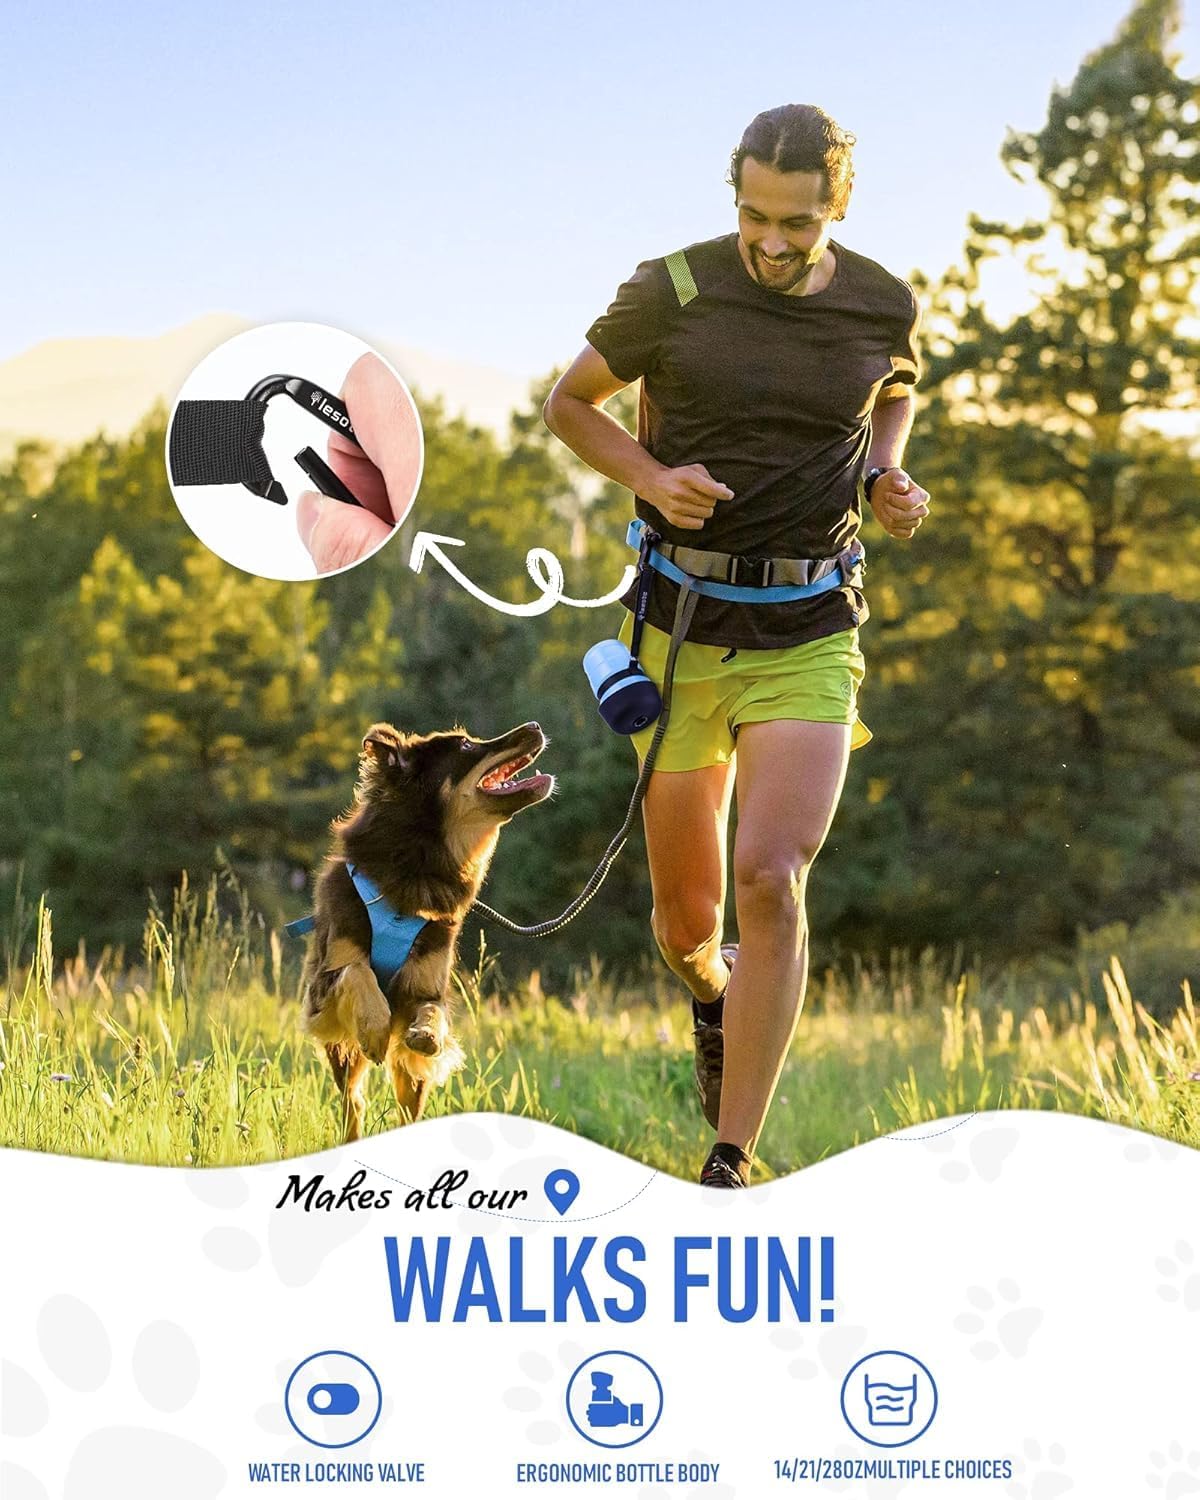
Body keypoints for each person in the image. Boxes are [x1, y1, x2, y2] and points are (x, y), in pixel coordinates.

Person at [543, 104, 931, 1188]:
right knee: (688, 926)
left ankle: (731, 1158)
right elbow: (569, 406)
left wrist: (882, 476)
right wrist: (650, 477)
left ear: (835, 210)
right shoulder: (671, 288)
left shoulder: (882, 300)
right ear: (737, 199)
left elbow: (892, 393)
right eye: (755, 216)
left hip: (811, 626)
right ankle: (711, 997)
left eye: (797, 225)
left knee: (772, 874)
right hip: (680, 633)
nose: (771, 241)